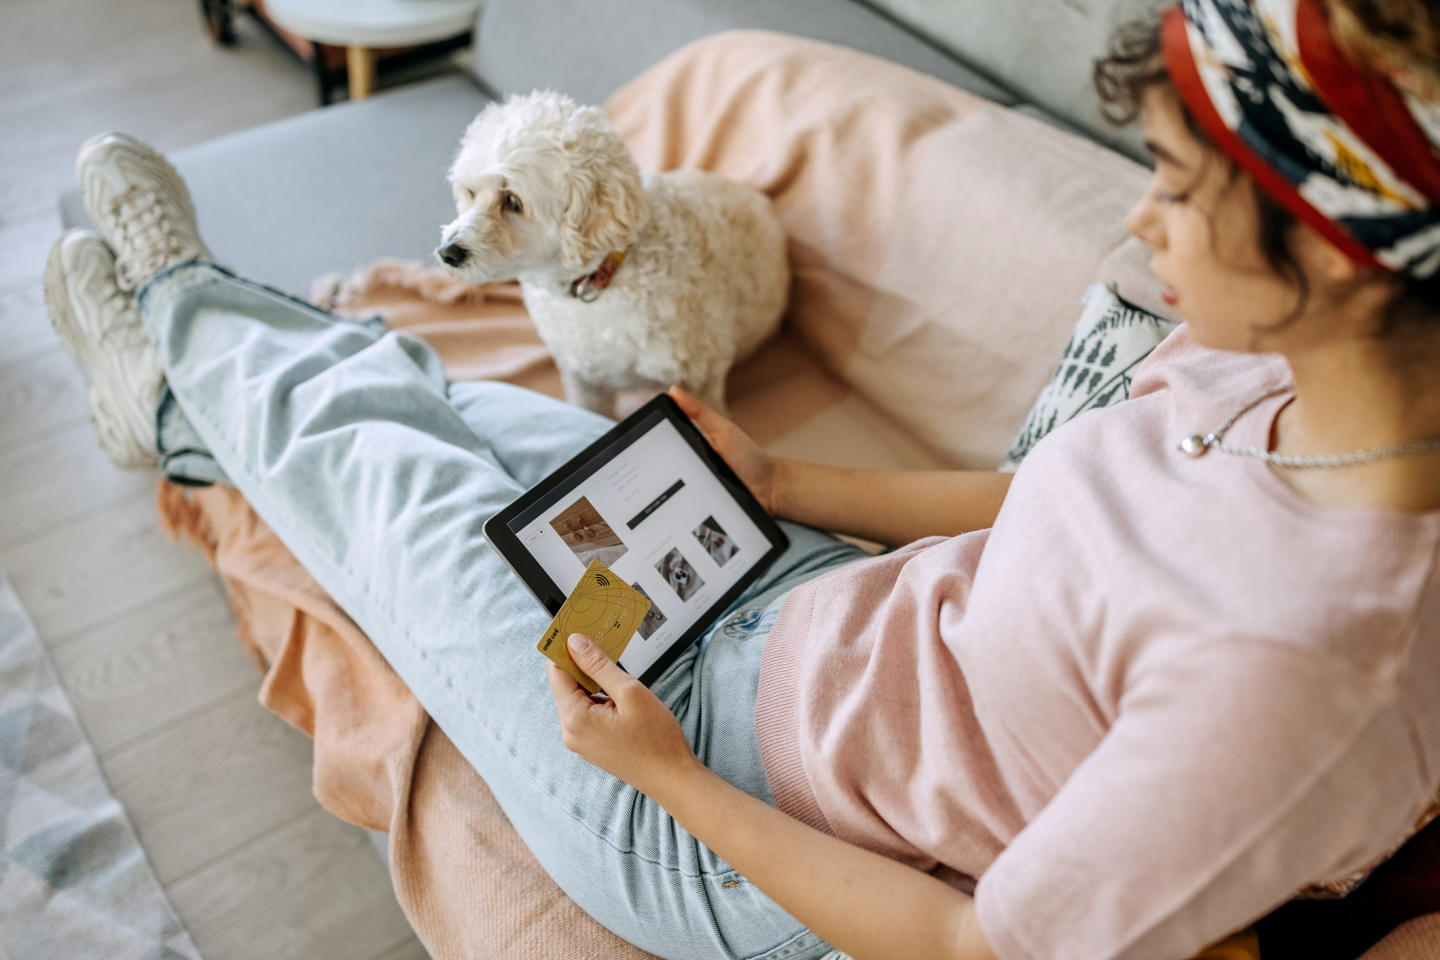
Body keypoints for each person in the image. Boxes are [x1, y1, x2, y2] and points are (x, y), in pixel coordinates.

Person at [42, 0, 1440, 957]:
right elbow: (1042, 507)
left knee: (383, 491)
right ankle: (178, 408)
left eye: (1180, 188)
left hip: (738, 803)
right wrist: (785, 481)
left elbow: (972, 942)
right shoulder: (1270, 369)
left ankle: (177, 313)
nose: (1142, 223)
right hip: (799, 594)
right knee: (456, 409)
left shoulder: (1313, 667)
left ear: (1330, 252)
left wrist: (673, 783)